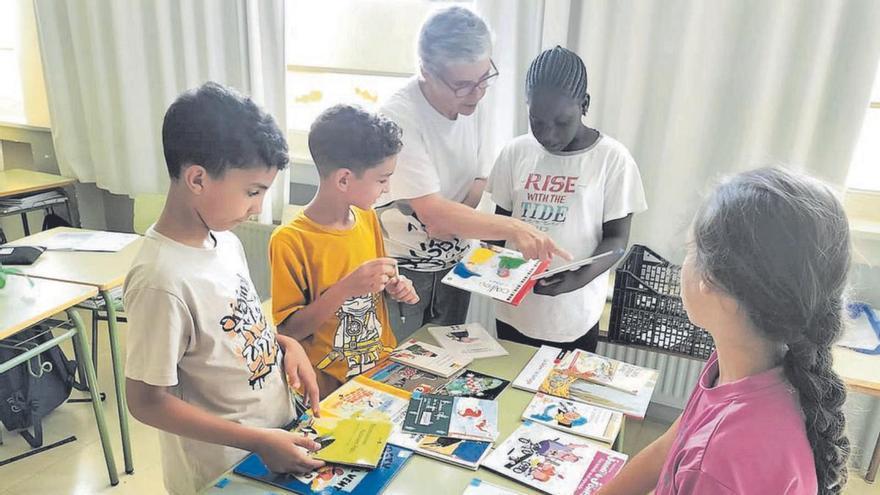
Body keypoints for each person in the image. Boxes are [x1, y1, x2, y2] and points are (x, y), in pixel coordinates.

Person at [599, 168, 851, 495]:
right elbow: (667, 448)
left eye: (690, 251)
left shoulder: (718, 465)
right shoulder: (747, 364)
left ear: (715, 281)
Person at [124, 82, 324, 495]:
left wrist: (287, 345)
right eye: (252, 191)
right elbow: (145, 400)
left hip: (271, 442)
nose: (258, 207)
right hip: (220, 469)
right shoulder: (161, 279)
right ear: (197, 178)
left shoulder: (224, 241)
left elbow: (231, 333)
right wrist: (256, 440)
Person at [376, 6, 570, 340]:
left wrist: (456, 219)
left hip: (455, 262)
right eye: (463, 85)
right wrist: (513, 227)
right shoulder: (399, 117)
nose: (477, 93)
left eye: (484, 78)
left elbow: (480, 178)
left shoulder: (473, 101)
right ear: (426, 71)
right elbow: (433, 212)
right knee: (398, 369)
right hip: (402, 270)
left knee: (448, 362)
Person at [487, 46, 647, 352]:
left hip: (573, 314)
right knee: (510, 392)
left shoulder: (612, 159)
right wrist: (488, 271)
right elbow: (500, 225)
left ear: (584, 104)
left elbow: (616, 240)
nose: (547, 134)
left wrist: (577, 279)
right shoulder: (515, 152)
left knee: (559, 398)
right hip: (513, 309)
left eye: (561, 122)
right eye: (537, 121)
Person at [270, 104, 419, 395]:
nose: (387, 189)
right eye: (382, 179)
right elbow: (288, 332)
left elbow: (378, 284)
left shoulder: (367, 217)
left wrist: (396, 286)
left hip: (379, 370)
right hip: (328, 387)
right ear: (343, 179)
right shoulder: (290, 240)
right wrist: (345, 289)